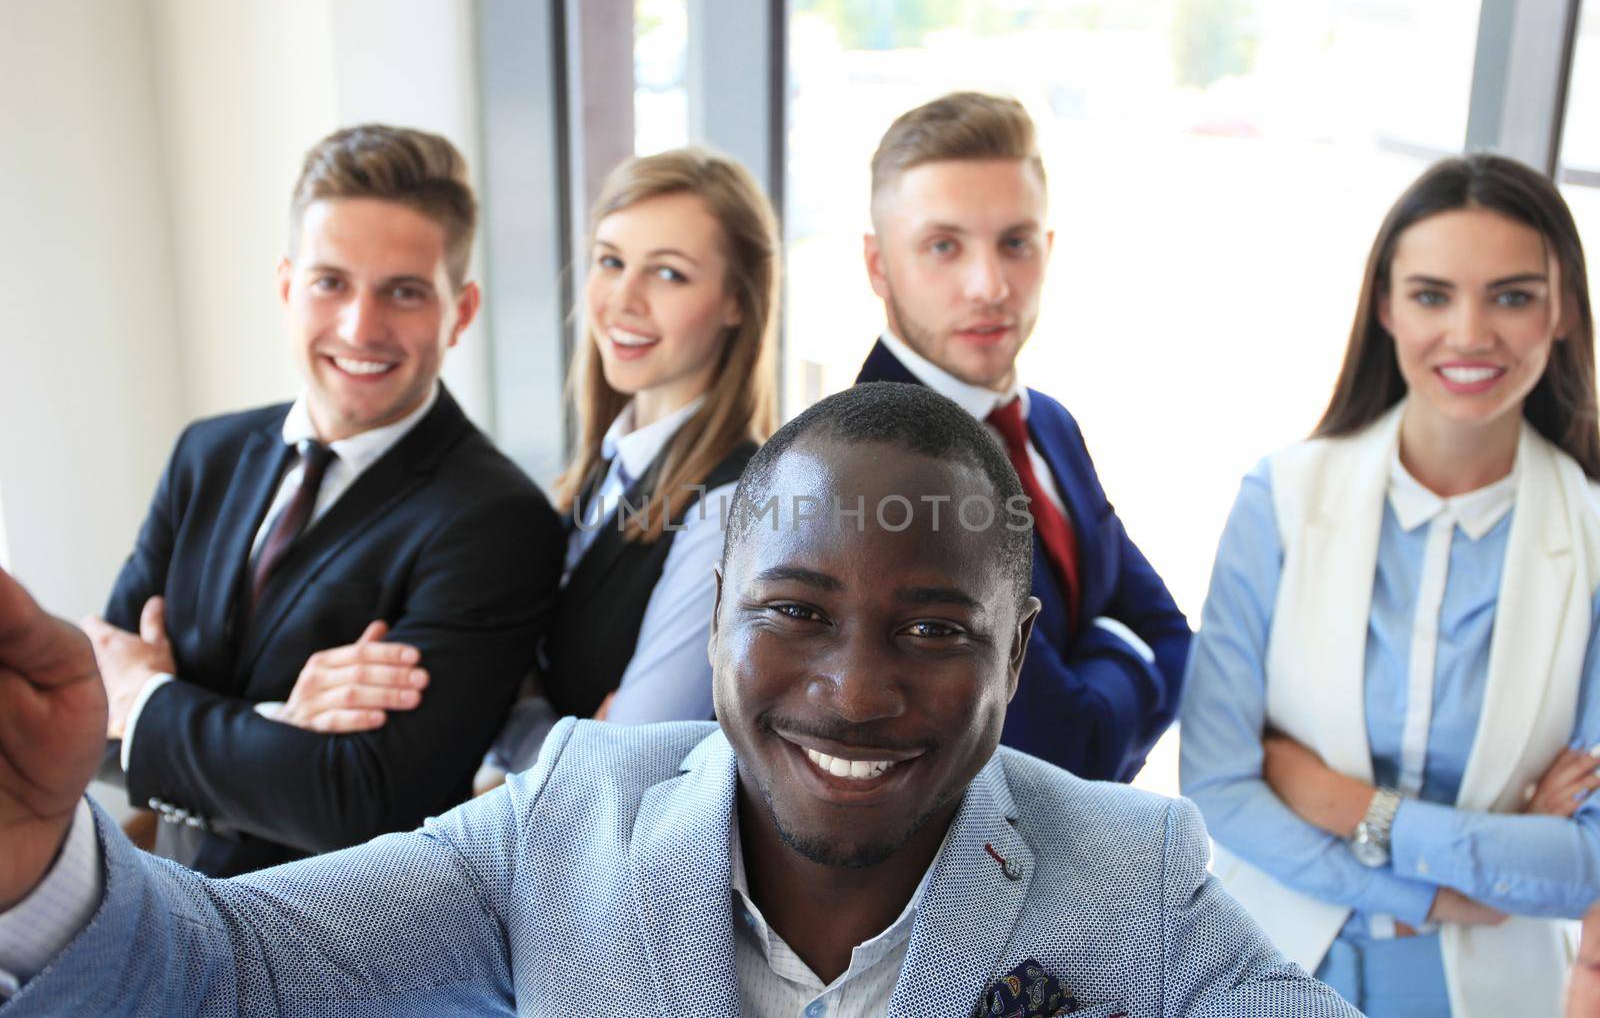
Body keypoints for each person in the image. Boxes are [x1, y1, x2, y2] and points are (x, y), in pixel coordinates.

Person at [0, 384, 1356, 1015]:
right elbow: (237, 972)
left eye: (936, 629)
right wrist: (37, 870)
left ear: (1015, 660)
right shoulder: (560, 821)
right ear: (712, 619)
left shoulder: (1137, 878)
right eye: (795, 612)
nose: (855, 688)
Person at [80, 123, 565, 877]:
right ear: (286, 287)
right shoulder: (205, 454)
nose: (359, 327)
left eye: (403, 292)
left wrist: (151, 698)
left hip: (342, 954)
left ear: (460, 312)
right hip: (168, 902)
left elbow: (363, 800)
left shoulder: (497, 520)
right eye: (329, 282)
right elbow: (87, 717)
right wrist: (277, 725)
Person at [1180, 154, 1600, 1017]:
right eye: (1433, 295)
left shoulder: (1593, 534)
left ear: (1561, 312)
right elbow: (1220, 787)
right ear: (1383, 306)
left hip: (1484, 990)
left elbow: (1586, 864)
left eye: (1513, 296)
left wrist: (1354, 807)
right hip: (1272, 964)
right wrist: (1457, 879)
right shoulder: (1282, 497)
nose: (1472, 333)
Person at [273, 149, 780, 792]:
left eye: (670, 275)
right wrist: (545, 729)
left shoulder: (727, 508)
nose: (624, 300)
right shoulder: (600, 477)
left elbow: (621, 771)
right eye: (611, 261)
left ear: (738, 300)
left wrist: (513, 730)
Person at [853, 91, 1190, 782]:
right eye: (943, 247)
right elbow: (1067, 748)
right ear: (879, 266)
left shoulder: (1050, 424)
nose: (990, 285)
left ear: (1048, 249)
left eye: (1015, 243)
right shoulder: (872, 467)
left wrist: (1104, 665)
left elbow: (1177, 640)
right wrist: (1120, 653)